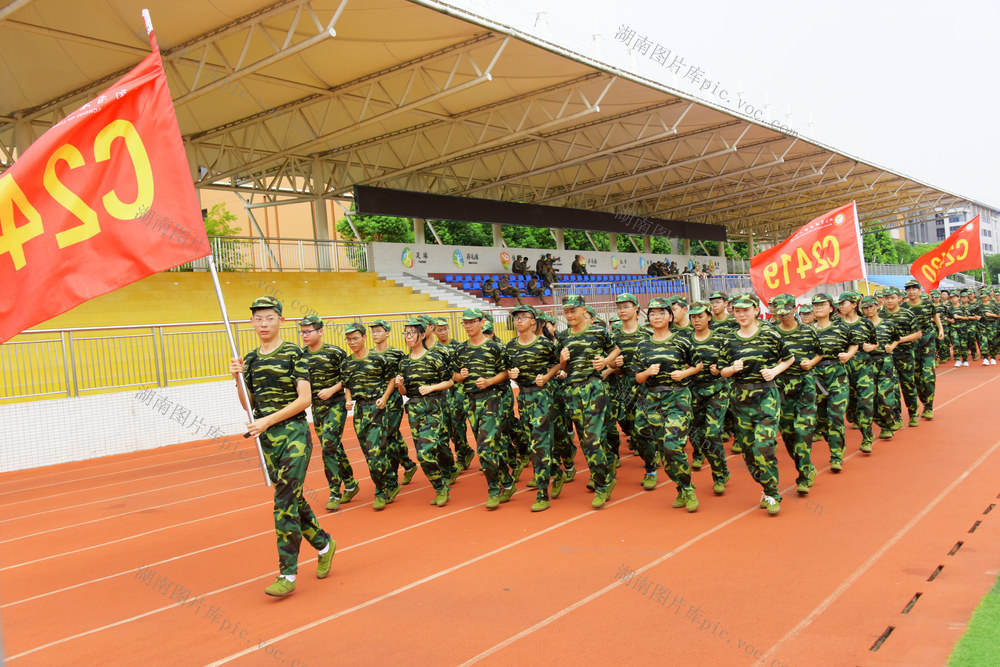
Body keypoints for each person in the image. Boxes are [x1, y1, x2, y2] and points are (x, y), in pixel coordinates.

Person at [229, 296, 334, 597]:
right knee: (293, 498)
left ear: (280, 321)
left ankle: (287, 574)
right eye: (258, 318)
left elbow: (305, 399)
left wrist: (267, 421)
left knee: (284, 503)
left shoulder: (293, 354)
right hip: (267, 439)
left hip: (293, 434)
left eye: (269, 318)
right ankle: (325, 544)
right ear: (251, 322)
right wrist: (237, 378)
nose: (263, 323)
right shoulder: (248, 359)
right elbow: (248, 405)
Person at [717, 294, 795, 516]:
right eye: (737, 310)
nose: (741, 314)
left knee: (763, 446)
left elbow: (789, 358)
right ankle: (765, 485)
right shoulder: (729, 339)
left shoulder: (770, 334)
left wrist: (774, 371)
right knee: (749, 450)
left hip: (766, 396)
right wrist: (732, 369)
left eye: (746, 310)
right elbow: (721, 370)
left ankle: (772, 493)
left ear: (756, 311)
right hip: (741, 398)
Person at [634, 297, 703, 511]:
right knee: (664, 450)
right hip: (653, 401)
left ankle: (689, 489)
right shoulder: (643, 345)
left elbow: (698, 365)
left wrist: (684, 373)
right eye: (652, 313)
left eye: (661, 313)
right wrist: (647, 373)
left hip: (677, 398)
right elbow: (637, 377)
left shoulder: (681, 341)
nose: (656, 317)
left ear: (670, 317)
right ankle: (680, 487)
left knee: (673, 447)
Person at [558, 295, 621, 509]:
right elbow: (565, 370)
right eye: (566, 311)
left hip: (594, 388)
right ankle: (604, 469)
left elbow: (616, 349)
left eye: (573, 311)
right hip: (572, 391)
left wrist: (606, 361)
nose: (569, 315)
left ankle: (602, 485)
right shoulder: (563, 337)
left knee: (591, 439)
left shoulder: (598, 331)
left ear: (584, 310)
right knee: (589, 438)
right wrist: (562, 362)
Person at [454, 307, 516, 508]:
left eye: (472, 322)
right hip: (471, 402)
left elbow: (506, 373)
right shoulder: (460, 350)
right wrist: (460, 377)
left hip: (492, 399)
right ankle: (507, 481)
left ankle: (493, 490)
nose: (468, 326)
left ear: (482, 322)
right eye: (465, 322)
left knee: (484, 448)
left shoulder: (495, 348)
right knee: (490, 447)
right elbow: (453, 377)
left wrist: (489, 381)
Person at [298, 314, 359, 512]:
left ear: (320, 331)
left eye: (308, 331)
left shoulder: (334, 353)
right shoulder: (301, 355)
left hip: (336, 404)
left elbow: (348, 377)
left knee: (328, 445)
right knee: (332, 446)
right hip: (316, 408)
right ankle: (350, 482)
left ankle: (334, 491)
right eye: (302, 331)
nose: (304, 335)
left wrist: (332, 390)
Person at [506, 305, 563, 511]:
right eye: (516, 318)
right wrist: (510, 373)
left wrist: (547, 376)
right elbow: (506, 368)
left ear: (533, 321)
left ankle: (542, 494)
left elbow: (559, 364)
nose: (519, 321)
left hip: (542, 396)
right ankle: (556, 470)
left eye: (524, 317)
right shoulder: (510, 346)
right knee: (534, 443)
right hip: (523, 397)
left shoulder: (544, 344)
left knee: (539, 445)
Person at [341, 323, 401, 510]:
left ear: (364, 337)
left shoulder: (378, 359)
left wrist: (384, 398)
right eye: (349, 339)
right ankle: (391, 482)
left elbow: (391, 379)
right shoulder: (347, 363)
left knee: (375, 454)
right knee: (369, 455)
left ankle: (380, 492)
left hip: (376, 409)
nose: (352, 342)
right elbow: (347, 384)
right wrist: (348, 401)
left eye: (355, 338)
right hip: (359, 412)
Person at [395, 319, 455, 507]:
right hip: (414, 410)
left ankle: (440, 487)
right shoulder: (404, 362)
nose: (408, 337)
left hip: (433, 408)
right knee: (423, 450)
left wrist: (431, 388)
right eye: (406, 333)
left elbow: (450, 382)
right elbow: (404, 393)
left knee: (425, 453)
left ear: (422, 335)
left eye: (412, 333)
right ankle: (442, 481)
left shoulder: (434, 358)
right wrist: (400, 385)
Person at [771, 295, 821, 493]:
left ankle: (803, 476)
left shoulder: (808, 331)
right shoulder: (771, 333)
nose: (783, 317)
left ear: (794, 309)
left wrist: (811, 363)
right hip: (781, 386)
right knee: (789, 433)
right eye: (779, 313)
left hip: (804, 384)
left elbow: (820, 352)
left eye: (786, 312)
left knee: (803, 430)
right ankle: (806, 465)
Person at [687, 300, 732, 495]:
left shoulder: (720, 338)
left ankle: (719, 474)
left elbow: (730, 362)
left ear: (709, 317)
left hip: (716, 391)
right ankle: (718, 465)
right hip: (693, 391)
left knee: (712, 433)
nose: (696, 320)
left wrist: (720, 369)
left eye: (700, 316)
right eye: (693, 317)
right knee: (696, 435)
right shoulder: (685, 340)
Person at [811, 293, 857, 470]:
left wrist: (848, 354)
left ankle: (836, 455)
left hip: (837, 375)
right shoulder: (808, 331)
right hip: (816, 378)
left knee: (836, 416)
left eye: (822, 305)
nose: (818, 308)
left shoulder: (841, 328)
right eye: (815, 305)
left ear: (831, 308)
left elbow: (854, 344)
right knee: (821, 420)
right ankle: (835, 444)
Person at [370, 320, 420, 484]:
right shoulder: (369, 354)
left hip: (392, 400)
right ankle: (407, 464)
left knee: (388, 435)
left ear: (387, 333)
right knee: (387, 435)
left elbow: (399, 376)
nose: (375, 334)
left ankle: (391, 473)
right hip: (376, 400)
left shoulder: (397, 354)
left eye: (378, 331)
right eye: (373, 331)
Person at [609, 293, 651, 483]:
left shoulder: (647, 335)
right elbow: (608, 366)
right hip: (623, 386)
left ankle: (651, 468)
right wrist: (615, 365)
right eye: (619, 307)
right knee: (629, 426)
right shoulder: (613, 337)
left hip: (645, 387)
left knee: (643, 428)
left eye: (626, 306)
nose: (622, 310)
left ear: (636, 309)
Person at [433, 318, 476, 471]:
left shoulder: (458, 346)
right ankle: (465, 450)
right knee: (450, 426)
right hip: (444, 392)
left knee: (460, 423)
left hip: (460, 390)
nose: (443, 332)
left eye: (445, 328)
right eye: (439, 329)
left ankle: (463, 455)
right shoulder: (434, 349)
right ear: (434, 331)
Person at [838, 292, 876, 452]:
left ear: (854, 305)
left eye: (843, 303)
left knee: (865, 402)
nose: (840, 306)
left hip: (863, 368)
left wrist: (872, 347)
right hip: (842, 369)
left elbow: (875, 343)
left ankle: (867, 437)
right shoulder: (836, 324)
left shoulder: (866, 324)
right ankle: (853, 415)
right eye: (839, 304)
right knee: (850, 404)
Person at [861, 296, 901, 440]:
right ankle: (873, 427)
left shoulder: (888, 324)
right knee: (868, 399)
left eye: (871, 306)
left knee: (884, 397)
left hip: (885, 363)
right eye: (865, 308)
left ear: (877, 306)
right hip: (867, 364)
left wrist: (892, 346)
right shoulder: (861, 326)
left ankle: (886, 425)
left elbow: (897, 338)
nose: (869, 310)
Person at [903, 279, 944, 418]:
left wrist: (940, 329)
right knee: (916, 377)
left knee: (928, 375)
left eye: (914, 288)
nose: (911, 291)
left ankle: (928, 406)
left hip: (927, 341)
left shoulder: (928, 304)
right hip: (911, 343)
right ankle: (924, 399)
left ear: (920, 291)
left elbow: (935, 316)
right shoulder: (904, 308)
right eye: (908, 289)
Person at [882, 287, 923, 427]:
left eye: (892, 297)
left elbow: (918, 334)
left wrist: (900, 340)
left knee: (908, 385)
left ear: (899, 298)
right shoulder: (880, 315)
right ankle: (896, 417)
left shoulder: (907, 314)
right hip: (886, 356)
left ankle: (912, 413)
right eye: (886, 298)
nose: (889, 300)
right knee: (891, 387)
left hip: (904, 354)